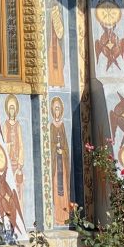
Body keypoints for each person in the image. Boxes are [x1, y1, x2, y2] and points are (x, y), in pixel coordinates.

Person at [49, 97, 70, 226]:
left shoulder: (62, 126)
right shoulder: (51, 126)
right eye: (55, 109)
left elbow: (66, 145)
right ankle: (57, 217)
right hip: (55, 164)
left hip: (62, 162)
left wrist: (63, 151)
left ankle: (65, 216)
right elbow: (49, 143)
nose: (56, 111)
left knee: (64, 189)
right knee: (56, 187)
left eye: (58, 108)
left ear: (61, 110)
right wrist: (54, 147)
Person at [3, 95, 24, 198]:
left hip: (16, 161)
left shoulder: (18, 125)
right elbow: (3, 143)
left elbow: (21, 144)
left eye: (13, 109)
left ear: (15, 110)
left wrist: (20, 163)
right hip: (8, 160)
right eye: (10, 109)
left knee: (18, 186)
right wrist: (9, 145)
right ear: (8, 110)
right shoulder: (5, 125)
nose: (11, 111)